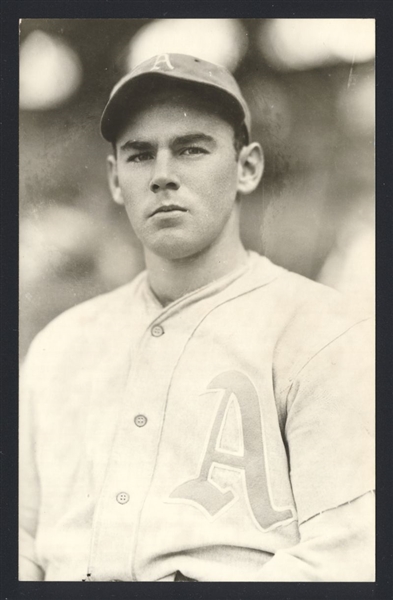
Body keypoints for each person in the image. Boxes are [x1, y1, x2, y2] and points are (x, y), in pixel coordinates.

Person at [19, 53, 375, 582]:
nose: (163, 175)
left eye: (190, 149)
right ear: (116, 181)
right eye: (140, 156)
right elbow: (20, 542)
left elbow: (350, 555)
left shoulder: (325, 331)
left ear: (247, 167)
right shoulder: (61, 345)